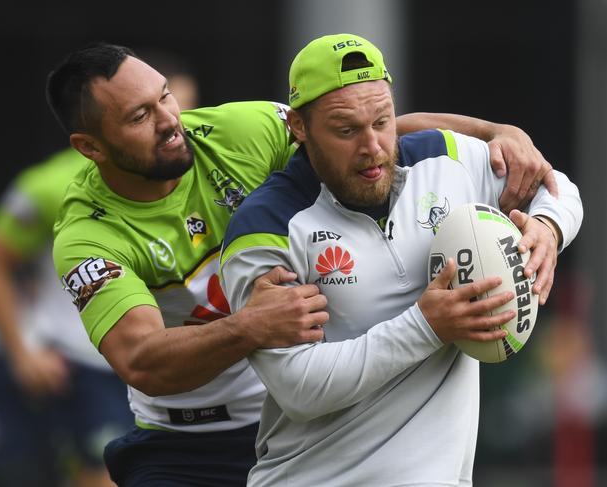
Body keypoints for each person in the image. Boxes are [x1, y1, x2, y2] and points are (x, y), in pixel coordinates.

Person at [45, 41, 562, 486]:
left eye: (164, 96)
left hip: (296, 426)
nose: (169, 122)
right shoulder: (87, 236)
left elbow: (362, 136)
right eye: (139, 117)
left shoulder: (238, 132)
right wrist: (249, 328)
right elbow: (142, 361)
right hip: (182, 443)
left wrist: (496, 132)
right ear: (89, 147)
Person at [219, 33, 583, 486]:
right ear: (298, 127)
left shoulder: (445, 160)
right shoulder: (267, 225)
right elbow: (299, 389)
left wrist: (548, 228)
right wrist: (427, 326)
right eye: (346, 130)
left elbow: (558, 186)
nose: (372, 146)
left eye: (382, 121)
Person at [0, 48, 201, 487]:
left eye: (173, 103)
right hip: (91, 365)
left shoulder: (207, 170)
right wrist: (22, 352)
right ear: (95, 139)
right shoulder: (53, 186)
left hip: (177, 362)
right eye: (140, 116)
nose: (172, 126)